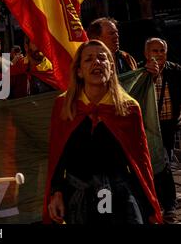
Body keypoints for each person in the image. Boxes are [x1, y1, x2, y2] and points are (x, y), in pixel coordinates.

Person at [44, 40, 162, 224]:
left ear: (111, 67)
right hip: (79, 198)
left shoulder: (129, 108)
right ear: (79, 71)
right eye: (89, 59)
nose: (96, 63)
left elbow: (141, 163)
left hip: (120, 196)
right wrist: (56, 193)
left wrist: (149, 209)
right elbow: (58, 158)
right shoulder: (64, 106)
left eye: (102, 58)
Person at [144, 37, 181, 222]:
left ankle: (168, 206)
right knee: (158, 165)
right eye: (154, 51)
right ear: (146, 53)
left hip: (169, 125)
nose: (158, 54)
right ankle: (164, 205)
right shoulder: (141, 73)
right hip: (150, 126)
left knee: (165, 163)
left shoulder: (175, 70)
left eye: (162, 51)